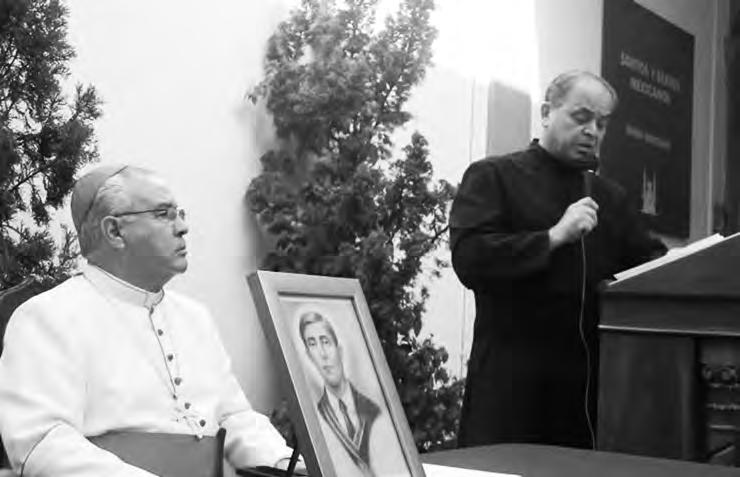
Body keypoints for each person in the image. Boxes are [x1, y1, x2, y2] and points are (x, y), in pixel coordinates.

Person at [0, 165, 299, 476]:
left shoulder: (194, 317)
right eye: (163, 214)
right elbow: (43, 442)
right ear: (114, 232)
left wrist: (287, 464)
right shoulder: (47, 316)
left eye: (179, 214)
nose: (182, 227)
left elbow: (233, 417)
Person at [449, 70, 667, 449]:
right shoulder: (494, 176)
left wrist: (693, 263)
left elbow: (651, 265)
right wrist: (552, 237)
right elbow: (471, 258)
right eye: (581, 118)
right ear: (547, 112)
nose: (592, 132)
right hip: (510, 387)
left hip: (585, 394)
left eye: (602, 124)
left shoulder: (610, 198)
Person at [298, 311, 380, 477]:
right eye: (312, 344)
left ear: (339, 350)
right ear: (309, 356)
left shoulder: (373, 410)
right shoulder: (315, 417)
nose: (323, 354)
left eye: (325, 342)